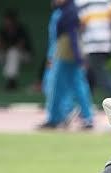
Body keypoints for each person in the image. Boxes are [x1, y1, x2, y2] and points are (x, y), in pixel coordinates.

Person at [39, 0, 94, 129]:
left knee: (57, 85)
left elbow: (72, 36)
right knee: (78, 85)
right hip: (69, 51)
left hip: (66, 51)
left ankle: (55, 119)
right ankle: (87, 118)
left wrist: (79, 58)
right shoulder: (66, 9)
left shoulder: (69, 11)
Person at [75, 0, 111, 103]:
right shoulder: (107, 1)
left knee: (100, 75)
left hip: (91, 42)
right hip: (105, 41)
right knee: (90, 74)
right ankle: (84, 106)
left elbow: (79, 21)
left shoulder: (82, 1)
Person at [0, 9, 33, 90]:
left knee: (13, 51)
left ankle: (11, 81)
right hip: (7, 54)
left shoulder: (21, 29)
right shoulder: (3, 29)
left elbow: (20, 46)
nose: (7, 22)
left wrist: (5, 46)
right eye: (5, 20)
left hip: (25, 56)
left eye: (9, 20)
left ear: (14, 20)